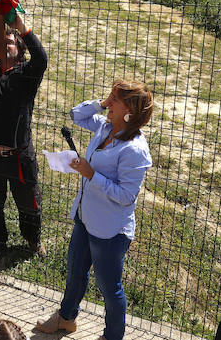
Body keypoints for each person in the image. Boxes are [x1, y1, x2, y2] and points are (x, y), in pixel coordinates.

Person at [35, 81, 154, 339]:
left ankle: (112, 336)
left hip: (109, 230)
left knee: (109, 288)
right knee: (75, 272)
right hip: (85, 217)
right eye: (110, 97)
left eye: (115, 99)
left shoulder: (134, 150)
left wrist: (91, 174)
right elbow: (77, 115)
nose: (109, 102)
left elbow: (126, 197)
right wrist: (102, 103)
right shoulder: (105, 127)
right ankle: (66, 318)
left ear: (130, 111)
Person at [0, 13, 48, 265]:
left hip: (19, 156)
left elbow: (42, 58)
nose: (5, 43)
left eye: (10, 41)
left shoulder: (27, 74)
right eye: (1, 40)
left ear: (20, 49)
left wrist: (22, 28)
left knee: (29, 204)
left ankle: (33, 239)